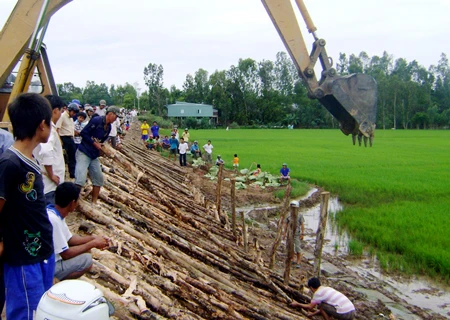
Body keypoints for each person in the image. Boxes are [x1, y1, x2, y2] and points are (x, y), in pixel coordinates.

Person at [0, 93, 55, 319]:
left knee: (41, 310)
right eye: (50, 122)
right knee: (27, 313)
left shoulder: (31, 158)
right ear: (41, 125)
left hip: (40, 252)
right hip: (22, 258)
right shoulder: (9, 163)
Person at [47, 182, 109, 280]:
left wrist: (93, 238)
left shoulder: (54, 214)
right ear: (72, 203)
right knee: (86, 260)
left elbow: (70, 239)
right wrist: (92, 244)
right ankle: (54, 280)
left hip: (47, 261)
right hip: (48, 266)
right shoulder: (54, 220)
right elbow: (66, 254)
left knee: (85, 251)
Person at [75, 106, 119, 204]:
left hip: (93, 155)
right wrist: (94, 143)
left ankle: (94, 202)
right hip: (84, 152)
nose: (116, 119)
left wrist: (102, 149)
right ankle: (74, 202)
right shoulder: (96, 121)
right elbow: (83, 133)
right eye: (115, 117)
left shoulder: (109, 127)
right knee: (80, 179)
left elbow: (101, 142)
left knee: (98, 179)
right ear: (111, 114)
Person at [33, 95, 66, 205]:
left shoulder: (37, 126)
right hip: (49, 184)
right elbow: (46, 151)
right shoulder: (49, 129)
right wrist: (51, 175)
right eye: (61, 111)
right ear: (56, 111)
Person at [291, 277, 356, 320]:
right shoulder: (326, 288)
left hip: (345, 314)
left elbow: (310, 307)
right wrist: (313, 314)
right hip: (352, 311)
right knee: (323, 305)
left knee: (321, 305)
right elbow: (326, 308)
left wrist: (297, 304)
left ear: (311, 287)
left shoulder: (318, 293)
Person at [56, 102, 78, 178]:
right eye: (73, 112)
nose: (74, 114)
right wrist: (60, 141)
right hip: (64, 138)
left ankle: (72, 172)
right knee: (63, 157)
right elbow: (57, 129)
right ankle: (62, 173)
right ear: (69, 110)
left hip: (71, 138)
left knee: (72, 156)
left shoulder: (71, 118)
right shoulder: (62, 116)